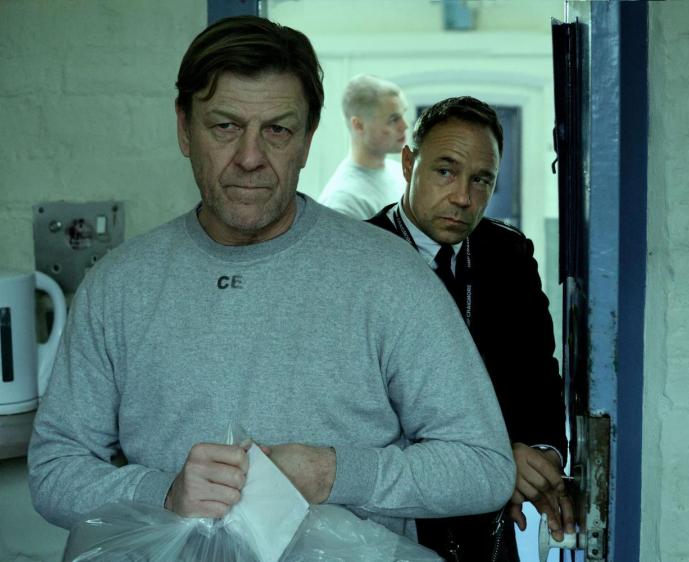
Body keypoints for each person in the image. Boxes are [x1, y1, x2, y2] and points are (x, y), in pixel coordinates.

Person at [27, 17, 516, 543]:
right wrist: (163, 493)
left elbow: (483, 467)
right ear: (184, 128)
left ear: (307, 140)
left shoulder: (391, 276)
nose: (250, 158)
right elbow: (55, 470)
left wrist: (333, 474)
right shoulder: (120, 286)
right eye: (225, 126)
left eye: (278, 130)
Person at [367, 96, 573, 561]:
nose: (463, 197)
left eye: (481, 179)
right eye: (446, 171)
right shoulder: (358, 255)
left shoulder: (508, 254)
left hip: (488, 528)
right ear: (408, 164)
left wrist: (539, 456)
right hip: (389, 525)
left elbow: (538, 376)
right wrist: (495, 460)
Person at [317, 74, 408, 219]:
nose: (404, 126)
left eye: (403, 115)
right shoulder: (343, 202)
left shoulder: (401, 173)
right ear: (359, 125)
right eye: (393, 119)